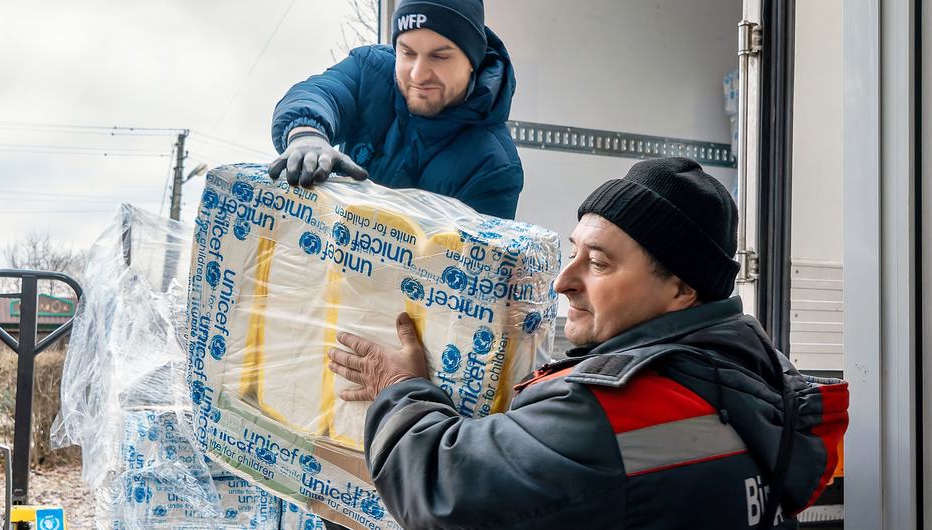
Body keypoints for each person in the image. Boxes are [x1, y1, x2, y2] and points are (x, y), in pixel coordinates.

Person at [326, 157, 850, 529]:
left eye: (598, 263)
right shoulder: (754, 374)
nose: (563, 281)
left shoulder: (614, 413)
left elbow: (438, 485)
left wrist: (399, 386)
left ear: (681, 288)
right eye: (573, 251)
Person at [269, 0, 523, 219]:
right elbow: (320, 92)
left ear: (473, 61)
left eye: (440, 56)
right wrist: (306, 134)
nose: (418, 74)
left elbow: (476, 267)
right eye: (408, 53)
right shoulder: (371, 71)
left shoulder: (494, 167)